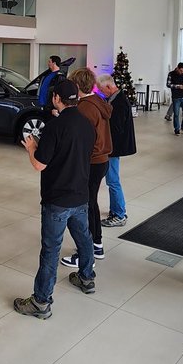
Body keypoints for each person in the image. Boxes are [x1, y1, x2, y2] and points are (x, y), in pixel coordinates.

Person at [14, 79, 96, 318]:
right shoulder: (87, 124)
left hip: (57, 199)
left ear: (57, 99)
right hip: (81, 196)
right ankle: (86, 278)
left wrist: (31, 147)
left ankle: (41, 302)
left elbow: (40, 164)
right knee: (84, 239)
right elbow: (74, 153)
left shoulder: (54, 127)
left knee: (51, 250)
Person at [61, 66, 112, 270]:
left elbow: (85, 139)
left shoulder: (85, 108)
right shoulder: (98, 101)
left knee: (84, 207)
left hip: (91, 162)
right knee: (91, 204)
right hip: (101, 161)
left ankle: (86, 252)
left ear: (76, 85)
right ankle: (96, 245)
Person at [97, 73, 136, 227]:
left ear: (109, 86)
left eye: (102, 90)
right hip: (112, 146)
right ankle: (116, 210)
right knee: (111, 180)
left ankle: (119, 214)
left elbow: (116, 128)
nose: (101, 92)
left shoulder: (119, 102)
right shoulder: (114, 98)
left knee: (113, 181)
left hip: (114, 147)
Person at [167, 62, 183, 135]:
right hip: (176, 97)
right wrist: (178, 86)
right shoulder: (171, 74)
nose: (182, 72)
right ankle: (177, 129)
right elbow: (168, 84)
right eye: (181, 70)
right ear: (177, 68)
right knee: (176, 114)